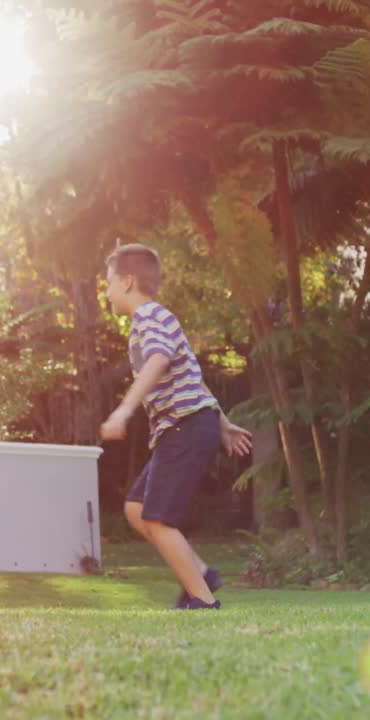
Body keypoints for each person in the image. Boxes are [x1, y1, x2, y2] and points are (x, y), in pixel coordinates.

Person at [99, 244, 253, 610]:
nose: (106, 292)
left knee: (157, 517)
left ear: (127, 281)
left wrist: (124, 410)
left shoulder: (150, 317)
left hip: (184, 426)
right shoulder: (155, 319)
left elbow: (159, 359)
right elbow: (193, 379)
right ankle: (203, 574)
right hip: (187, 425)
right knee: (137, 509)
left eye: (108, 283)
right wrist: (224, 423)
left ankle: (202, 600)